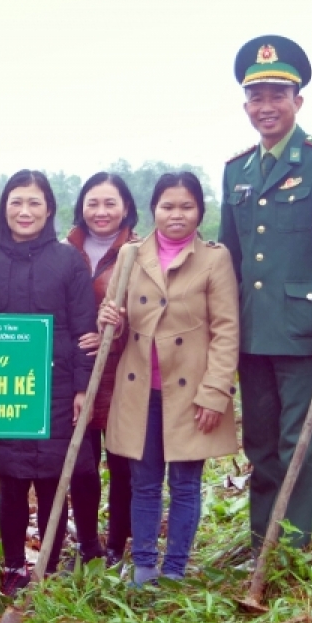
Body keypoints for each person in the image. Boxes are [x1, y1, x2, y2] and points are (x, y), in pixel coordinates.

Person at [218, 35, 312, 551]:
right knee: (260, 444)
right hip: (252, 333)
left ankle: (292, 546)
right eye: (257, 98)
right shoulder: (235, 170)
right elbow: (230, 259)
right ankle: (262, 537)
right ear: (246, 107)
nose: (267, 107)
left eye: (277, 95)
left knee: (299, 446)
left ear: (298, 101)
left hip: (309, 333)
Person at [98, 173, 240, 584]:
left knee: (184, 483)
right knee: (143, 483)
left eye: (186, 207)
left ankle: (175, 567)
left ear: (199, 211)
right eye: (167, 206)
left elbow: (226, 330)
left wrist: (215, 393)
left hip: (191, 391)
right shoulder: (130, 255)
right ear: (153, 209)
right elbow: (114, 321)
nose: (176, 215)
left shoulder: (214, 259)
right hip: (138, 389)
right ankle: (144, 566)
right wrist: (109, 318)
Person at [0, 170, 97, 596]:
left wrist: (82, 387)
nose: (24, 212)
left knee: (51, 482)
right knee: (11, 482)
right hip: (4, 391)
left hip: (56, 388)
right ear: (4, 208)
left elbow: (85, 330)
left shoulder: (68, 261)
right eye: (16, 202)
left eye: (34, 203)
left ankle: (46, 563)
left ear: (49, 209)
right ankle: (12, 566)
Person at [64, 172, 139, 567]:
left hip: (125, 371)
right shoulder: (66, 250)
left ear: (126, 207)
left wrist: (120, 326)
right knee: (82, 464)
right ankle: (88, 542)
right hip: (80, 372)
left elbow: (155, 310)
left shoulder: (140, 253)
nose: (101, 212)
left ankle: (118, 544)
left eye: (110, 203)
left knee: (123, 463)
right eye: (93, 203)